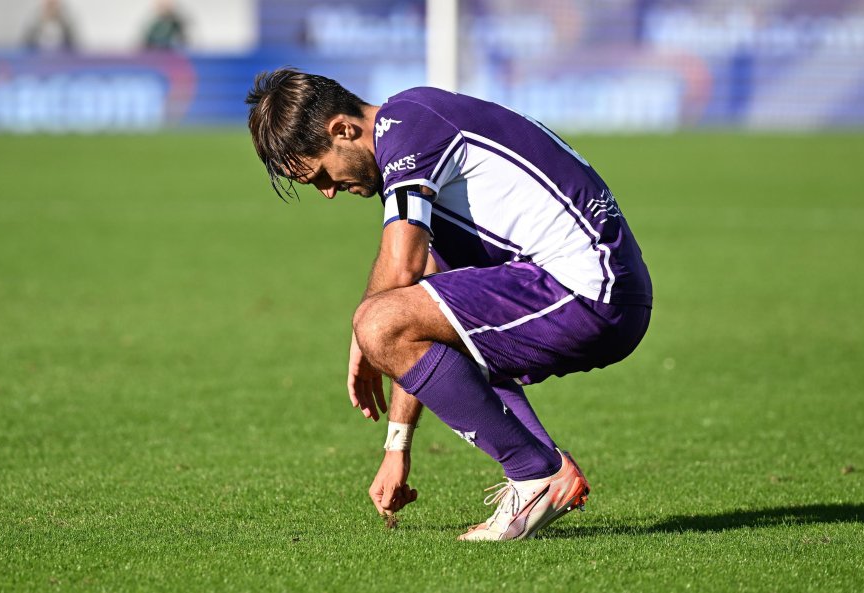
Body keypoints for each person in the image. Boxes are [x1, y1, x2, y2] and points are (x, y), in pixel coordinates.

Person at [245, 69, 652, 541]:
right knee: (393, 320)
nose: (328, 191)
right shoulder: (413, 135)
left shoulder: (408, 129)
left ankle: (534, 474)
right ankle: (547, 474)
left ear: (342, 129)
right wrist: (397, 446)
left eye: (319, 174)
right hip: (597, 289)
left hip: (590, 290)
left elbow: (401, 271)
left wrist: (364, 333)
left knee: (379, 321)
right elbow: (424, 298)